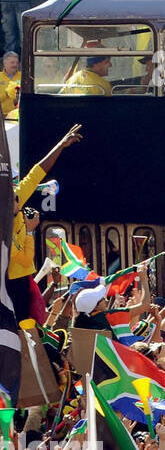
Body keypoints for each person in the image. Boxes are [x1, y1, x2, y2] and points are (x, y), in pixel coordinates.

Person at [10, 123, 81, 324]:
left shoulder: (14, 198)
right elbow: (22, 259)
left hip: (23, 281)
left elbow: (36, 173)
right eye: (13, 197)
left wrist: (60, 145)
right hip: (12, 283)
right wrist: (30, 232)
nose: (17, 197)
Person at [1, 50, 19, 117]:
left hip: (17, 115)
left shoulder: (23, 76)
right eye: (12, 62)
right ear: (5, 63)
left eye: (17, 62)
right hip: (2, 115)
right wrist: (6, 94)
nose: (15, 65)